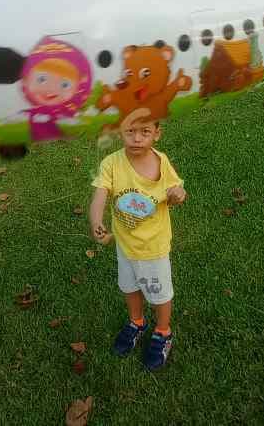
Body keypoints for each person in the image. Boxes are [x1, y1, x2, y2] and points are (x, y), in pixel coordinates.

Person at [89, 114, 187, 372]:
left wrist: (177, 195)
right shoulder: (112, 163)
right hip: (124, 244)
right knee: (129, 286)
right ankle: (137, 322)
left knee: (160, 293)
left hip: (152, 248)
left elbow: (176, 192)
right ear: (120, 132)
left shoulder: (161, 162)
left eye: (145, 131)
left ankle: (163, 332)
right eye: (130, 131)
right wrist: (97, 221)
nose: (136, 138)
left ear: (157, 133)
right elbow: (100, 195)